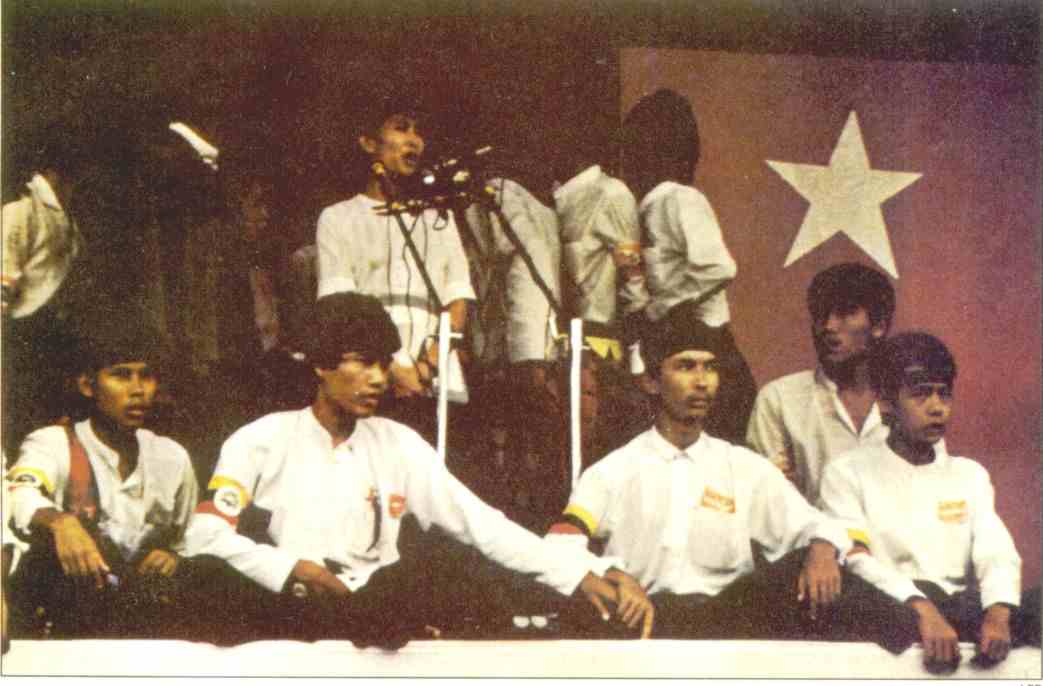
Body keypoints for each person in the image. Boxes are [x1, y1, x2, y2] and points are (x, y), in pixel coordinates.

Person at [180, 292, 630, 648]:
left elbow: (481, 525)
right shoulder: (261, 439)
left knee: (442, 567)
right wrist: (296, 570)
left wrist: (578, 577)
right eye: (361, 361)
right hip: (294, 606)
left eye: (382, 363)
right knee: (207, 577)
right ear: (320, 364)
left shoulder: (398, 443)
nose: (378, 378)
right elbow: (205, 535)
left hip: (380, 608)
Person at [547, 305, 919, 650]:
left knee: (803, 570)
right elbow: (559, 546)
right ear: (651, 382)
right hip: (643, 619)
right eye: (685, 366)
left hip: (727, 622)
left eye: (710, 368)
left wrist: (821, 546)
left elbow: (817, 525)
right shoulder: (615, 469)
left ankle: (915, 631)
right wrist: (609, 573)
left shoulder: (744, 467)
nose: (702, 381)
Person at [819, 332, 1040, 672]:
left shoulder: (970, 474)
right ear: (886, 403)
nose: (937, 407)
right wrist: (921, 606)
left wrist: (998, 611)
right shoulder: (847, 472)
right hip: (893, 608)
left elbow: (995, 550)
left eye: (944, 394)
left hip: (960, 608)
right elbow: (857, 559)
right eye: (920, 394)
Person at [4, 318, 199, 639]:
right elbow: (18, 493)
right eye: (121, 375)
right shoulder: (55, 442)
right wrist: (59, 522)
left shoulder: (171, 456)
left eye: (146, 376)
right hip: (68, 623)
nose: (138, 390)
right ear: (87, 385)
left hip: (145, 622)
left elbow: (192, 538)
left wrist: (175, 558)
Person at [315, 96, 475, 440]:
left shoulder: (439, 220)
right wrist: (397, 366)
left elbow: (458, 297)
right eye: (401, 128)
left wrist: (427, 365)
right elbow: (339, 302)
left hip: (434, 378)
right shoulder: (338, 217)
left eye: (418, 132)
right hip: (373, 376)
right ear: (368, 143)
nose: (414, 140)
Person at [618, 88, 755, 445]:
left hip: (709, 349)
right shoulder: (646, 208)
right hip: (674, 349)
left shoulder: (679, 199)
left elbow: (717, 267)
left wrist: (660, 309)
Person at [747, 262, 894, 503]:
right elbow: (771, 506)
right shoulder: (779, 399)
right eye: (821, 315)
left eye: (845, 314)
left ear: (879, 326)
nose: (828, 327)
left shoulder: (908, 398)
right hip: (812, 539)